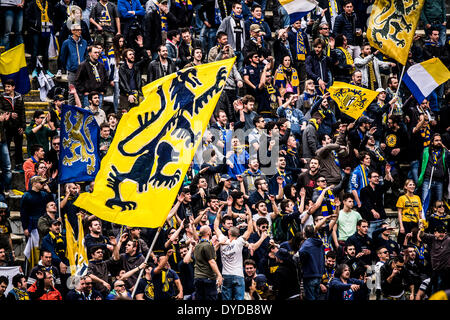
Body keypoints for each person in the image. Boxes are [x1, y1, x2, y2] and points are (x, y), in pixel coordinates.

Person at [214, 206, 253, 300]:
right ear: (238, 234)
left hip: (226, 275)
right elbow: (249, 230)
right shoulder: (240, 241)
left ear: (229, 233)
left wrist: (218, 213)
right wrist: (249, 216)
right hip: (238, 275)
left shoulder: (223, 240)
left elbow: (215, 227)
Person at [359, 167, 394, 237]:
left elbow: (387, 184)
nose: (377, 178)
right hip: (371, 220)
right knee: (371, 239)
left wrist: (387, 173)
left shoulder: (379, 188)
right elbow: (366, 202)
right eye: (374, 177)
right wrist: (373, 211)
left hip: (381, 219)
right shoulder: (364, 190)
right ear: (369, 179)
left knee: (381, 240)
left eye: (378, 177)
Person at [418, 134, 449, 210]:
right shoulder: (426, 151)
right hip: (427, 180)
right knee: (425, 201)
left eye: (440, 140)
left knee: (439, 202)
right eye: (436, 140)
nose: (439, 142)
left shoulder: (445, 152)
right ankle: (423, 219)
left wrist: (445, 148)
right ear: (432, 142)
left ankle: (436, 220)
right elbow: (421, 164)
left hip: (439, 181)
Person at [0, 79, 25, 172]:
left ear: (13, 87)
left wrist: (23, 126)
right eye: (5, 86)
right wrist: (10, 114)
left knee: (19, 147)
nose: (6, 88)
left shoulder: (19, 97)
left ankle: (19, 165)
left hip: (18, 126)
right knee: (5, 148)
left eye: (8, 86)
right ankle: (5, 166)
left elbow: (22, 112)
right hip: (6, 126)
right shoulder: (2, 97)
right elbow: (0, 110)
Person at [193, 225, 223, 300]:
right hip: (207, 278)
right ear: (209, 233)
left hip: (198, 277)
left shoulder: (198, 245)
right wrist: (219, 275)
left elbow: (208, 253)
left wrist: (218, 244)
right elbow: (211, 261)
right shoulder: (207, 245)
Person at [298, 224, 325, 300]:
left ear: (304, 233)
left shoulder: (306, 245)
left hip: (309, 275)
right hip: (319, 275)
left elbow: (301, 255)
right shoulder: (320, 244)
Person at [119, 45, 149, 111]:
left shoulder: (136, 66)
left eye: (133, 54)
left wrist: (141, 47)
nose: (132, 56)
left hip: (136, 94)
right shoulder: (122, 68)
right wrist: (129, 93)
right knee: (126, 115)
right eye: (130, 54)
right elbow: (123, 82)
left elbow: (146, 59)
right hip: (125, 95)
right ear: (126, 57)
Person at [397, 179, 423, 246]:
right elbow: (399, 213)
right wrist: (401, 226)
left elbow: (420, 212)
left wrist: (422, 223)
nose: (412, 186)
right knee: (404, 243)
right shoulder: (402, 198)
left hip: (415, 223)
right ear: (406, 187)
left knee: (415, 242)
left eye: (413, 185)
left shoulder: (417, 198)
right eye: (410, 185)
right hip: (406, 222)